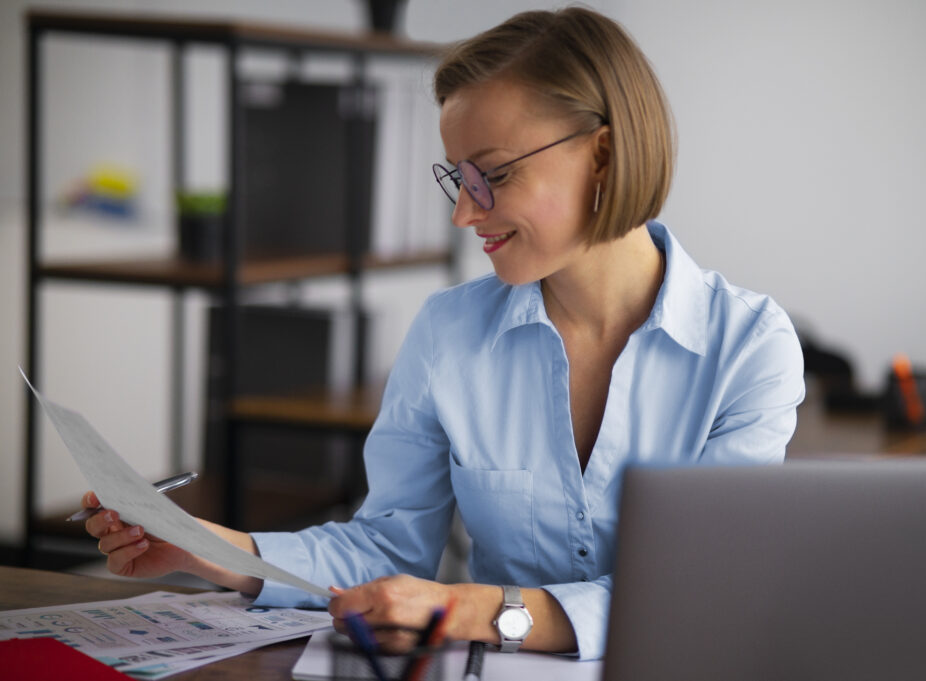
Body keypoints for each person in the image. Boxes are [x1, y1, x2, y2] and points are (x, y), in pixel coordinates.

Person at [81, 7, 804, 662]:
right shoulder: (449, 332)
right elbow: (387, 546)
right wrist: (204, 548)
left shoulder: (749, 347)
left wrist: (475, 608)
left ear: (604, 157)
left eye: (490, 175)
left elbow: (698, 596)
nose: (464, 213)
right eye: (456, 178)